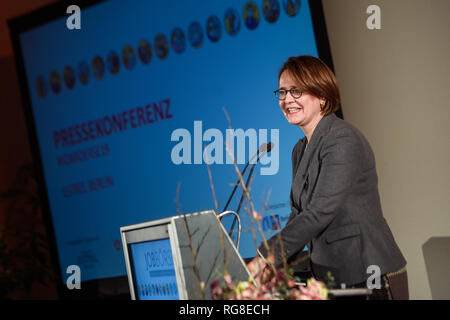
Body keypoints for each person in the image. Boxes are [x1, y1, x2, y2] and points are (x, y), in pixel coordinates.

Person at [247, 55, 409, 300]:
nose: (287, 99)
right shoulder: (300, 149)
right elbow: (299, 215)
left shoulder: (342, 139)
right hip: (332, 277)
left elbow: (320, 211)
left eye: (296, 91)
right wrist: (274, 266)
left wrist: (266, 257)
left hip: (368, 274)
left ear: (322, 95)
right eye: (282, 92)